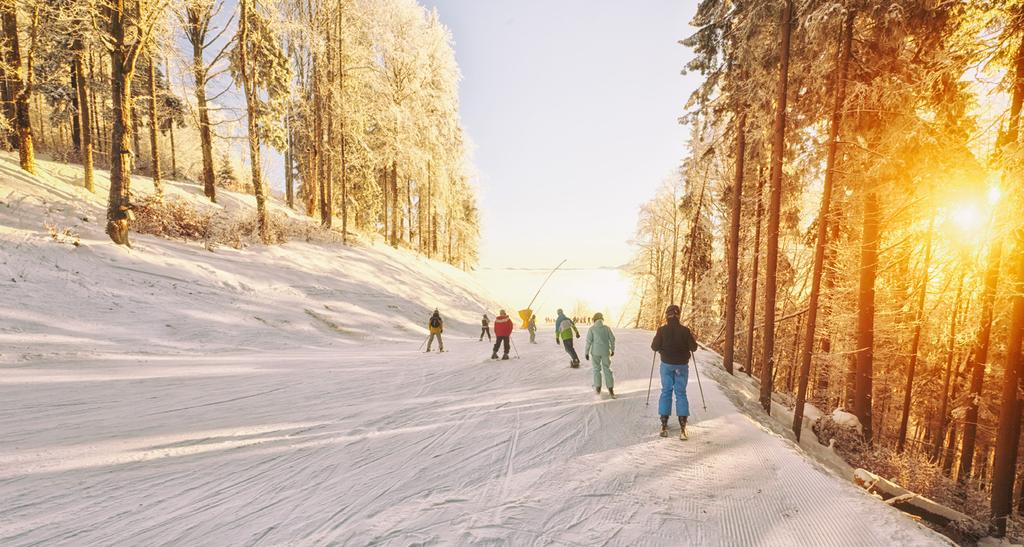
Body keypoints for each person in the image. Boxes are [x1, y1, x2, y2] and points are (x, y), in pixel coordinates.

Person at [651, 304, 698, 439]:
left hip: (666, 364)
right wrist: (692, 339)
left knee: (666, 390)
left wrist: (661, 348)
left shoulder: (661, 330)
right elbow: (693, 348)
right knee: (681, 392)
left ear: (667, 315)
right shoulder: (685, 330)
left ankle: (664, 421)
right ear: (678, 315)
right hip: (681, 366)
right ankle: (682, 423)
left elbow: (654, 347)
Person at [585, 312, 616, 397]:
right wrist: (612, 349)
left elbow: (588, 342)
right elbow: (612, 339)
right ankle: (610, 389)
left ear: (594, 319)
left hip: (595, 352)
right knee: (607, 369)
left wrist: (586, 352)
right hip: (605, 352)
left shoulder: (592, 329)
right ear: (602, 319)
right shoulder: (607, 328)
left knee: (596, 369)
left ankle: (598, 387)